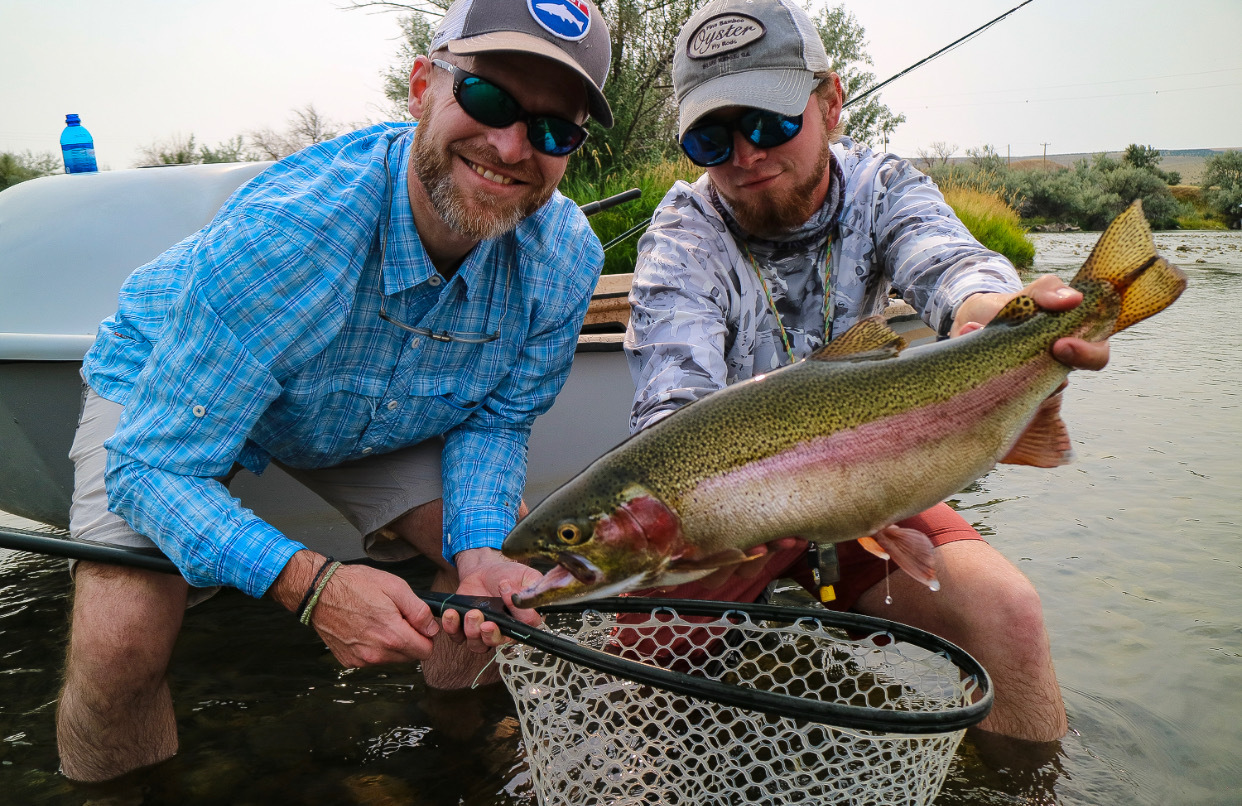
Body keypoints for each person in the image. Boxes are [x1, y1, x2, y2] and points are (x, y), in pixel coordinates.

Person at [56, 0, 614, 783]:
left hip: (370, 410)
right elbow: (151, 469)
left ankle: (455, 745)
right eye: (488, 100)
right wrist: (312, 586)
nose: (511, 145)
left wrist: (480, 549)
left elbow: (498, 418)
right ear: (423, 85)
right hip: (179, 392)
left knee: (493, 572)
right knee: (120, 635)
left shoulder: (565, 258)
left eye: (553, 130)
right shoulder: (293, 229)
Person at [625, 0, 1109, 743]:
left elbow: (951, 266)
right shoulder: (681, 236)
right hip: (725, 513)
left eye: (770, 122)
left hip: (869, 482)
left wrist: (999, 314)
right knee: (615, 675)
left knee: (1007, 613)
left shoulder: (884, 186)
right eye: (712, 137)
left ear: (831, 103)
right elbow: (672, 408)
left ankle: (1030, 788)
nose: (746, 155)